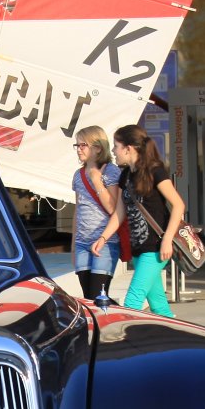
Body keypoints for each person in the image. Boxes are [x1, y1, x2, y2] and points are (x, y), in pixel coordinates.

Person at [93, 124, 185, 318]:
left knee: (132, 302)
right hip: (138, 248)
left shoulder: (155, 171)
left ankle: (125, 336)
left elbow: (178, 205)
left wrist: (167, 240)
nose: (114, 151)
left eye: (116, 146)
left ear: (128, 148)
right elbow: (119, 212)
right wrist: (103, 238)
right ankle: (174, 334)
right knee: (159, 307)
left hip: (156, 248)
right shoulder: (126, 175)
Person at [70, 125, 122, 302]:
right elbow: (78, 209)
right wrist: (73, 245)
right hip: (82, 243)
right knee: (89, 298)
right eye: (77, 145)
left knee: (97, 295)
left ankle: (117, 313)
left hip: (105, 242)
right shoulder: (78, 175)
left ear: (98, 148)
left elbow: (113, 208)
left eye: (83, 145)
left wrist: (96, 180)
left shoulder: (111, 171)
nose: (79, 149)